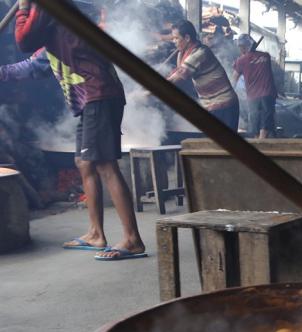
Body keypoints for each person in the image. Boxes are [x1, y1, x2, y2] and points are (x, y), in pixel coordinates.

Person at [15, 0, 147, 261]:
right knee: (84, 163)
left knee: (105, 166)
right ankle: (96, 233)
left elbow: (23, 40)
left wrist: (22, 7)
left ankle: (132, 239)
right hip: (94, 98)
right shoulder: (59, 30)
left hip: (98, 95)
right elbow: (30, 65)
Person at [166, 19, 239, 130]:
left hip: (224, 106)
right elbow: (179, 68)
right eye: (173, 39)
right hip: (213, 107)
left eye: (176, 38)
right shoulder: (189, 53)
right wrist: (181, 50)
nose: (174, 41)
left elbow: (175, 78)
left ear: (187, 38)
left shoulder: (199, 53)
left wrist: (144, 92)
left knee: (223, 145)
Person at [231, 34, 277, 139]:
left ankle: (259, 142)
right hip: (268, 94)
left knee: (255, 122)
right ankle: (261, 142)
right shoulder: (266, 56)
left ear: (242, 47)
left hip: (253, 96)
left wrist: (229, 92)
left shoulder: (241, 61)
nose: (239, 49)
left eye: (240, 47)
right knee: (266, 120)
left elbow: (234, 79)